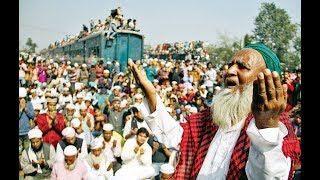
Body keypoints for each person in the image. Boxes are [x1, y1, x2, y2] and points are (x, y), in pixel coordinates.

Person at [128, 42, 301, 179]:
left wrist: (266, 125)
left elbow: (269, 176)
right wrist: (151, 94)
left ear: (266, 80)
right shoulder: (210, 119)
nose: (230, 71)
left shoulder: (276, 128)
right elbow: (176, 137)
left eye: (242, 67)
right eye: (231, 65)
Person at [19, 87, 35, 157]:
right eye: (20, 98)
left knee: (27, 150)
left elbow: (32, 116)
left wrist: (25, 109)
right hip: (19, 132)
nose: (21, 100)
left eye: (23, 98)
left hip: (27, 132)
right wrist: (21, 109)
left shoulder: (29, 104)